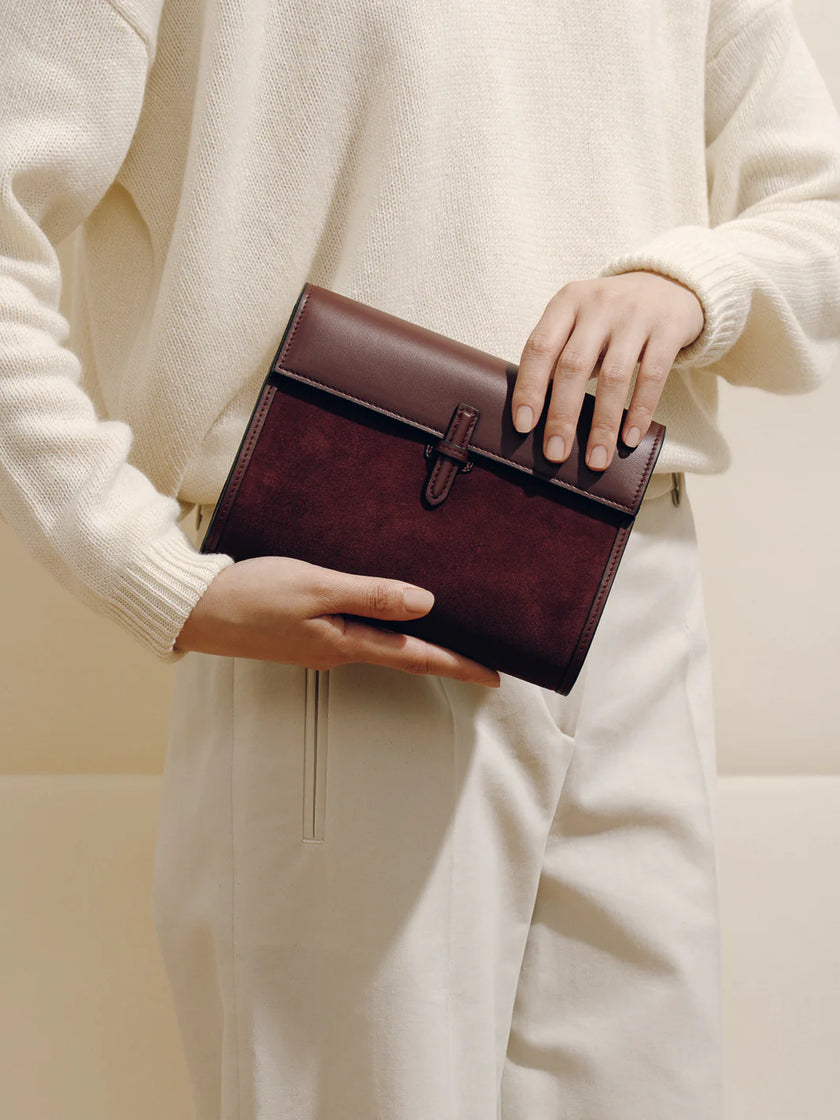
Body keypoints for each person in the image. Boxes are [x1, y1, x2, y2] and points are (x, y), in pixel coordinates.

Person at [2, 1, 838, 1117]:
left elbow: (819, 205)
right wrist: (151, 573)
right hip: (344, 604)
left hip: (635, 591)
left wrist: (695, 283)